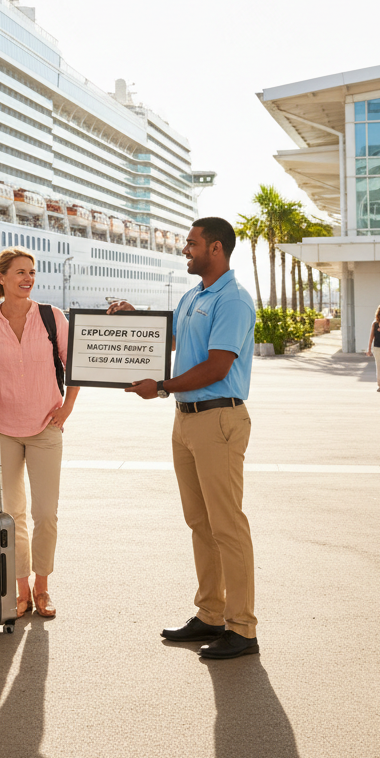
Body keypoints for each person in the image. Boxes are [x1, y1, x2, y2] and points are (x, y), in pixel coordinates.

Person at [115, 216, 259, 660]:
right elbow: (173, 339)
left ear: (216, 249)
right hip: (186, 421)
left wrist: (159, 387)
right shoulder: (194, 295)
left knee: (227, 525)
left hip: (218, 419)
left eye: (192, 244)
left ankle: (242, 629)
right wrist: (136, 323)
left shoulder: (232, 299)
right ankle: (211, 614)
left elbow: (217, 366)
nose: (185, 250)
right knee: (200, 523)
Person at [0, 248, 79, 618]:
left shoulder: (51, 317)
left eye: (31, 272)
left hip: (46, 425)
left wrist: (66, 408)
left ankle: (43, 587)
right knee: (11, 514)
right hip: (2, 429)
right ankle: (21, 591)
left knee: (46, 513)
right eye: (20, 272)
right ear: (1, 277)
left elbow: (73, 366)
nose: (28, 278)